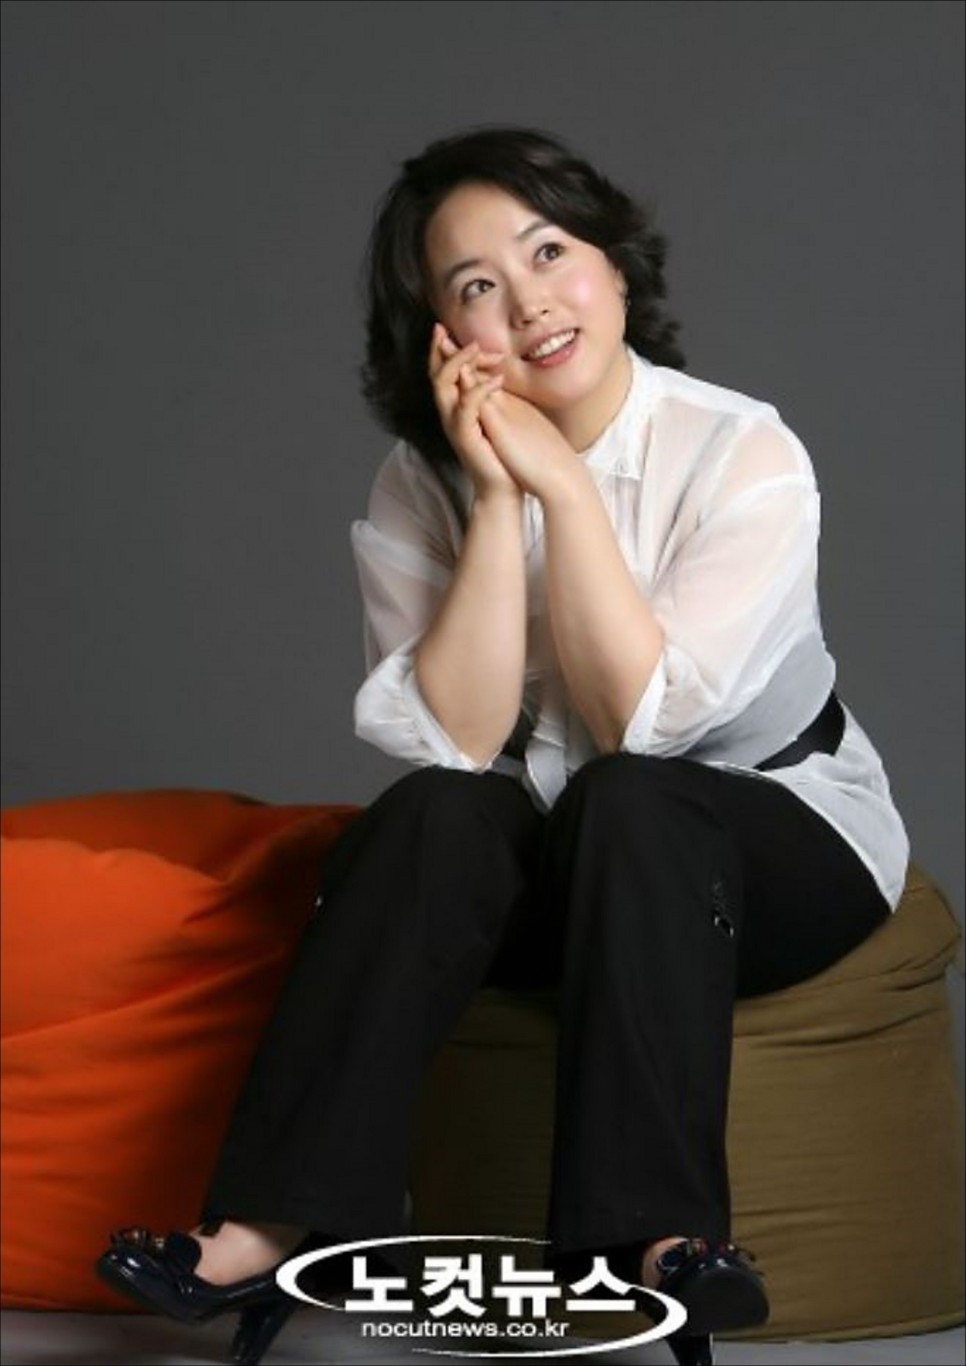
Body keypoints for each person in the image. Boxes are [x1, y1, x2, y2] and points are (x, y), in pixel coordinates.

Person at [95, 125, 909, 1366]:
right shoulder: (419, 481)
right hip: (573, 844)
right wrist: (493, 497)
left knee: (637, 797)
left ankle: (658, 1238)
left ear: (616, 264)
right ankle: (269, 1226)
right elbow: (458, 742)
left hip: (777, 838)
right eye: (477, 283)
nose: (528, 303)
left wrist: (565, 491)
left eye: (549, 251)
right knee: (429, 816)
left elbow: (646, 726)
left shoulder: (742, 451)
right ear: (438, 332)